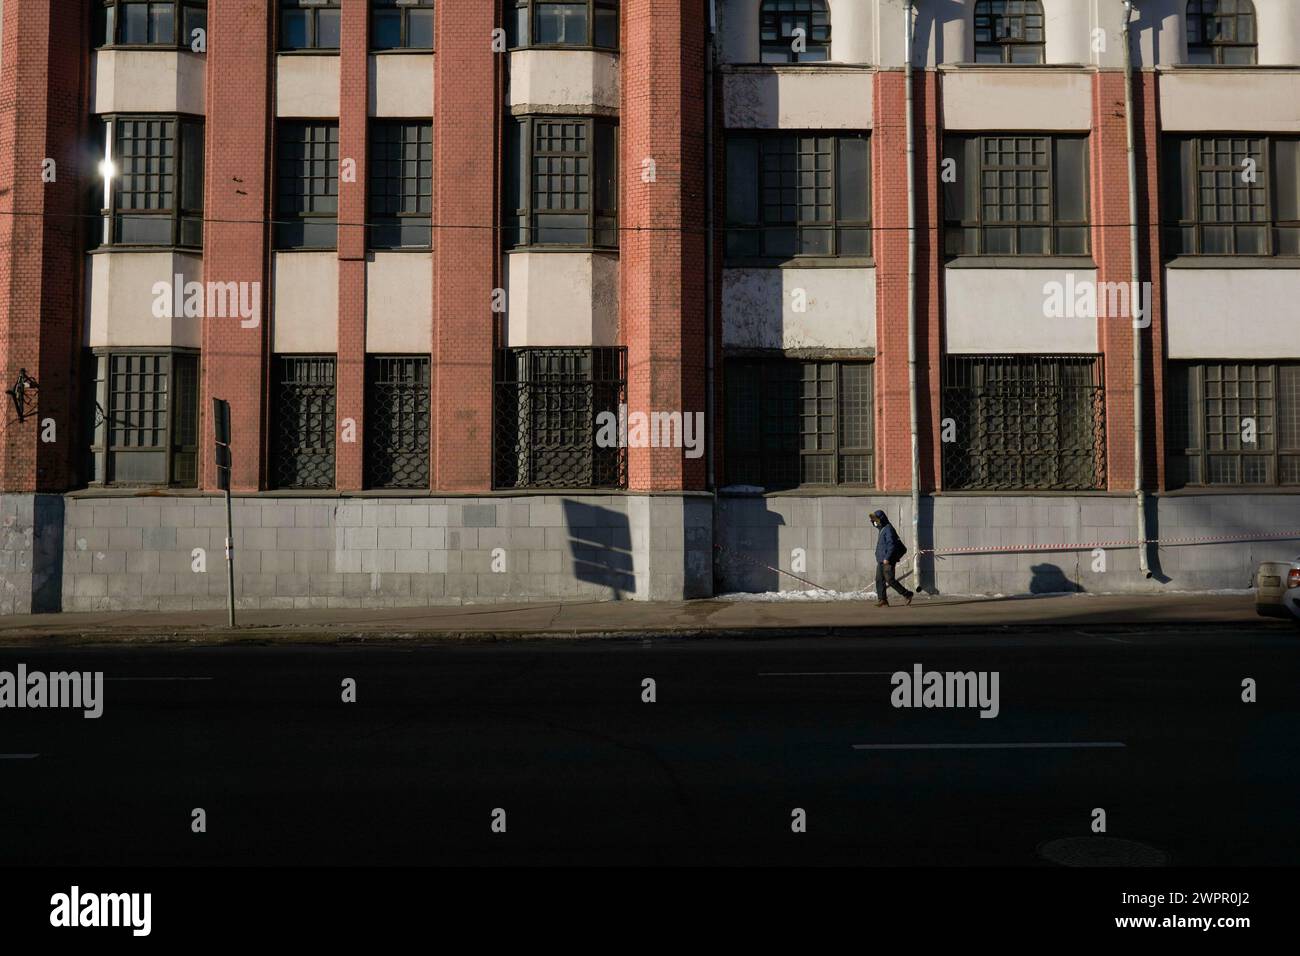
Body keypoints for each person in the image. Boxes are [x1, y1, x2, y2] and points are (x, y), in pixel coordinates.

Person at [869, 509, 913, 608]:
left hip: (887, 560)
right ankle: (883, 600)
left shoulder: (888, 529)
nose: (875, 522)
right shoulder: (882, 528)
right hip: (881, 559)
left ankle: (907, 594)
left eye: (876, 520)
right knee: (879, 580)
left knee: (890, 580)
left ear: (882, 519)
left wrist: (887, 557)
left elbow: (891, 545)